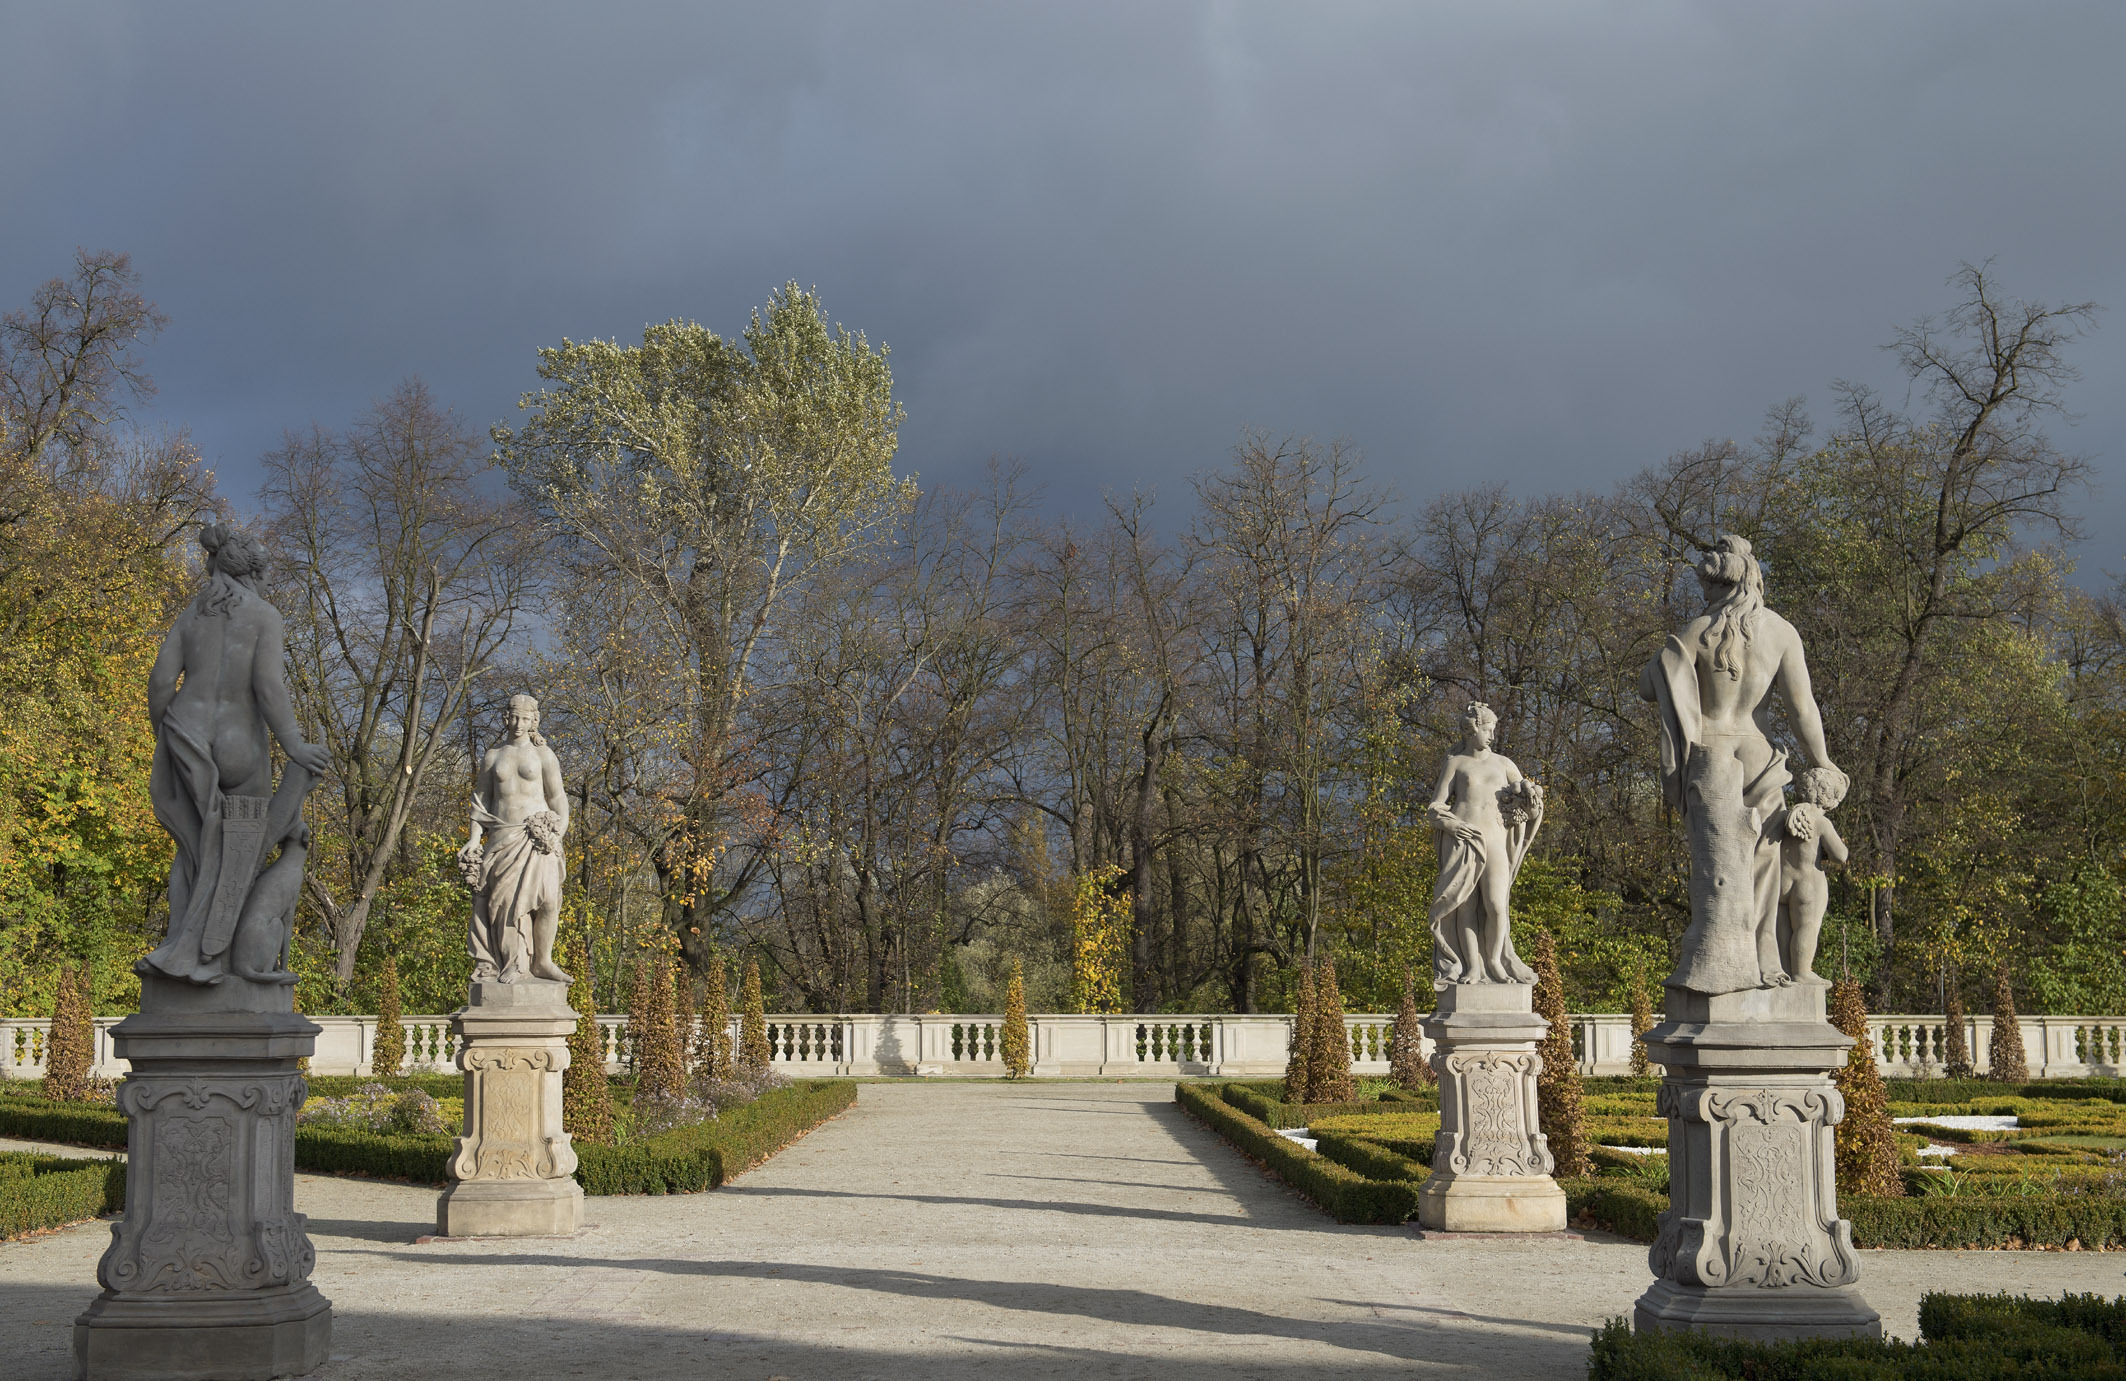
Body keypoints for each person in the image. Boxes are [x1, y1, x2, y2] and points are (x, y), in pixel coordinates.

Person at [1639, 534, 1840, 994]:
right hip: (1757, 756)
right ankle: (1763, 955)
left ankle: (1717, 953)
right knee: (1764, 862)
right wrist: (1823, 761)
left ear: (1720, 584)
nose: (1704, 595)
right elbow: (1803, 709)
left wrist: (1669, 654)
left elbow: (1648, 687)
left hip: (1708, 757)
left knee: (1714, 866)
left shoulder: (1696, 630)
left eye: (1707, 586)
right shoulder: (1781, 632)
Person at [140, 524, 328, 985]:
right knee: (241, 849)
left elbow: (160, 683)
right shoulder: (264, 616)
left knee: (192, 851)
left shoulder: (190, 616)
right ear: (254, 575)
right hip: (240, 744)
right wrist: (295, 745)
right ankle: (215, 960)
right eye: (266, 577)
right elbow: (268, 686)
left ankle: (178, 945)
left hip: (185, 732)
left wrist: (165, 738)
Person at [1427, 701, 1544, 984]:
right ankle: (1473, 967)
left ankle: (1494, 961)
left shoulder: (1504, 764)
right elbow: (1435, 807)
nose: (1492, 735)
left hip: (1495, 839)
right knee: (1464, 906)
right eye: (1488, 730)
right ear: (1472, 730)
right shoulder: (1455, 763)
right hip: (1464, 839)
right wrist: (1451, 824)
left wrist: (1532, 802)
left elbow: (1529, 806)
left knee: (1496, 904)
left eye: (1493, 730)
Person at [459, 694, 571, 983]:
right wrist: (474, 839)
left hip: (537, 837)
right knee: (505, 905)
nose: (519, 724)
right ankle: (513, 961)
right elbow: (480, 802)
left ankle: (542, 961)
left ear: (534, 720)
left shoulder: (543, 755)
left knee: (548, 901)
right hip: (503, 836)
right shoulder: (493, 756)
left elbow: (558, 798)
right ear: (505, 718)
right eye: (514, 717)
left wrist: (557, 834)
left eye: (525, 718)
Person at [1774, 766, 1849, 986]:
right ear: (1829, 798)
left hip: (1781, 881)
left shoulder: (1785, 817)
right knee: (1807, 927)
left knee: (1782, 928)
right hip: (1808, 883)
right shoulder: (1821, 822)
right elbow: (1841, 855)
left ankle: (1784, 969)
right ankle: (1801, 972)